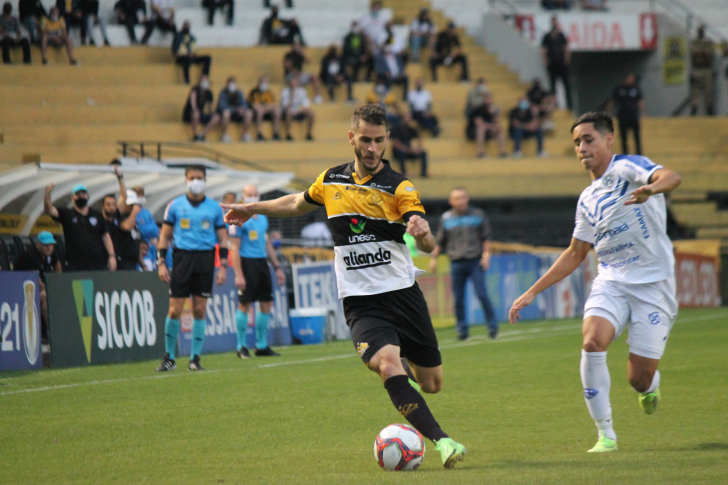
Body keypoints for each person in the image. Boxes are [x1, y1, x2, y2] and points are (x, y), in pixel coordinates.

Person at [221, 104, 468, 469]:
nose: (372, 149)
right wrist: (252, 207)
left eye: (379, 141)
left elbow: (425, 237)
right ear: (352, 138)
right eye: (365, 140)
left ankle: (402, 361)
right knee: (385, 364)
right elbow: (294, 203)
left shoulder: (399, 186)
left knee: (432, 384)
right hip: (360, 301)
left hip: (402, 294)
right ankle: (443, 441)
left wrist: (424, 232)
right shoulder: (331, 180)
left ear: (387, 140)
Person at [509, 111, 682, 453]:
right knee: (592, 342)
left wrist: (651, 188)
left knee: (638, 378)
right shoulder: (587, 200)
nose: (582, 147)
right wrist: (531, 292)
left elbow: (672, 176)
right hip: (612, 281)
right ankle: (606, 434)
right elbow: (575, 253)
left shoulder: (629, 168)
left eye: (588, 139)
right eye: (576, 142)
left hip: (653, 285)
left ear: (608, 140)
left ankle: (649, 385)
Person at [155, 164, 229, 372]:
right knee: (175, 309)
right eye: (192, 177)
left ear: (205, 180)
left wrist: (223, 267)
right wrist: (161, 263)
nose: (196, 181)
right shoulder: (175, 206)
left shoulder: (214, 208)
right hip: (182, 258)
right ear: (186, 180)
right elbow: (165, 236)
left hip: (205, 259)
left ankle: (195, 359)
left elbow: (223, 239)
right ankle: (169, 357)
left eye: (199, 177)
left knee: (199, 310)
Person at [429, 187, 497, 340]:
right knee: (458, 299)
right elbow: (440, 240)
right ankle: (462, 331)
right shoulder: (446, 218)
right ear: (451, 201)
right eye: (457, 198)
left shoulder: (478, 215)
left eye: (463, 197)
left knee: (482, 295)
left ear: (467, 198)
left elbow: (486, 237)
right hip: (456, 262)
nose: (461, 201)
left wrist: (486, 256)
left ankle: (492, 328)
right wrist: (434, 258)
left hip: (475, 261)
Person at [228, 185, 286, 358]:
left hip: (261, 262)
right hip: (246, 262)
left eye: (255, 195)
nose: (253, 197)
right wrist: (238, 273)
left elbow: (266, 242)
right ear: (242, 196)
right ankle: (241, 346)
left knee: (266, 302)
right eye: (249, 195)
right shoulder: (239, 217)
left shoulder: (262, 216)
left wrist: (276, 267)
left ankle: (261, 345)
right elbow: (234, 247)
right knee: (245, 303)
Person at [44, 182, 116, 271]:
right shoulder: (67, 214)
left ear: (88, 196)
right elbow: (49, 210)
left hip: (97, 263)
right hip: (76, 264)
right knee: (80, 285)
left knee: (98, 284)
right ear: (73, 197)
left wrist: (112, 256)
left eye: (83, 193)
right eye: (78, 194)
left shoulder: (97, 215)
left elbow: (105, 235)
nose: (81, 196)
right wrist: (47, 193)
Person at [14, 231, 62, 343]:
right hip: (22, 291)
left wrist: (58, 282)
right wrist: (53, 289)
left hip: (36, 289)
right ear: (38, 244)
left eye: (51, 244)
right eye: (45, 245)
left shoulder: (50, 254)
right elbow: (38, 283)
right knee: (45, 296)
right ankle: (53, 333)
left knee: (57, 294)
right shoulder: (31, 257)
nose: (49, 247)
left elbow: (57, 265)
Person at [207, 76, 253, 142]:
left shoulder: (239, 92)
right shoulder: (223, 92)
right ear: (227, 84)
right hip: (227, 114)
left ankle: (245, 134)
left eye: (234, 83)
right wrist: (236, 109)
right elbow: (222, 106)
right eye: (231, 83)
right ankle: (224, 135)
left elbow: (244, 104)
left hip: (237, 114)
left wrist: (242, 109)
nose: (232, 85)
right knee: (226, 113)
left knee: (249, 113)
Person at [608, 73, 644, 155]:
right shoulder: (619, 88)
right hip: (622, 116)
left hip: (633, 116)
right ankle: (625, 153)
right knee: (623, 137)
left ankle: (639, 153)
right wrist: (609, 112)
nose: (631, 80)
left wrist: (643, 112)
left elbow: (640, 100)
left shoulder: (636, 88)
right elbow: (613, 101)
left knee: (636, 136)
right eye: (629, 78)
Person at [541, 16, 572, 109]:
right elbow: (544, 49)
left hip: (562, 64)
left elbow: (566, 48)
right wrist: (545, 59)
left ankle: (569, 106)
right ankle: (555, 105)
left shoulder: (561, 35)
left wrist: (567, 59)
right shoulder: (547, 36)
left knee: (566, 84)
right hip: (552, 64)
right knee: (553, 85)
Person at [466, 93, 507, 158]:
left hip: (487, 131)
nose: (488, 101)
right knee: (481, 128)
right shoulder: (479, 109)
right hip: (473, 131)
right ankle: (480, 153)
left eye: (489, 99)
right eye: (486, 99)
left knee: (498, 130)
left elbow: (498, 123)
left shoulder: (494, 110)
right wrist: (491, 127)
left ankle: (503, 152)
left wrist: (494, 114)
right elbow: (478, 122)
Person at [283, 39, 323, 104]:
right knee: (295, 80)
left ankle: (317, 96)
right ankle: (297, 99)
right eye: (295, 45)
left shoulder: (300, 55)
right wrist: (295, 72)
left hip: (300, 74)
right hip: (291, 75)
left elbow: (308, 62)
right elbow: (287, 65)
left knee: (315, 77)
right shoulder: (289, 55)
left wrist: (302, 53)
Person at [389, 111, 428, 177]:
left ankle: (423, 174)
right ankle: (404, 173)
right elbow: (397, 144)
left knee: (423, 153)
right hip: (398, 151)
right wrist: (410, 150)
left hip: (409, 150)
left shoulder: (410, 129)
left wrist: (419, 148)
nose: (408, 120)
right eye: (406, 118)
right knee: (401, 153)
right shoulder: (396, 128)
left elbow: (419, 138)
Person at [689, 25, 716, 116]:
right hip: (697, 68)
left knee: (708, 91)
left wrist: (702, 51)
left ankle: (709, 110)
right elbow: (694, 52)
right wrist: (703, 52)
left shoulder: (707, 43)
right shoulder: (694, 43)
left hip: (706, 68)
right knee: (695, 91)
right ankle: (694, 110)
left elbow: (710, 53)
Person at [247, 76, 282, 141]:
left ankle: (276, 133)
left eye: (266, 82)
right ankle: (259, 133)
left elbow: (273, 104)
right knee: (259, 112)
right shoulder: (254, 92)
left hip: (266, 111)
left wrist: (265, 109)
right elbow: (254, 105)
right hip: (257, 112)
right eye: (263, 82)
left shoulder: (268, 92)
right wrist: (263, 109)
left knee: (277, 112)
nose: (264, 84)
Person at [280, 75, 315, 141]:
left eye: (295, 81)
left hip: (299, 111)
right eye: (292, 81)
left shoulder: (302, 91)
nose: (294, 83)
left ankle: (309, 133)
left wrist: (301, 110)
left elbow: (306, 104)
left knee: (311, 113)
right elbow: (285, 107)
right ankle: (288, 134)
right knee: (288, 113)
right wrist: (292, 95)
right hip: (290, 111)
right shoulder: (285, 92)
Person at [183, 75, 214, 141]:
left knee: (216, 117)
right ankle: (195, 135)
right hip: (190, 113)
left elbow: (210, 107)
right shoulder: (195, 90)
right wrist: (195, 110)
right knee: (196, 113)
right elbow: (193, 102)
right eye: (203, 81)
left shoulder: (209, 92)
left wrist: (211, 114)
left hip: (200, 113)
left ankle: (202, 134)